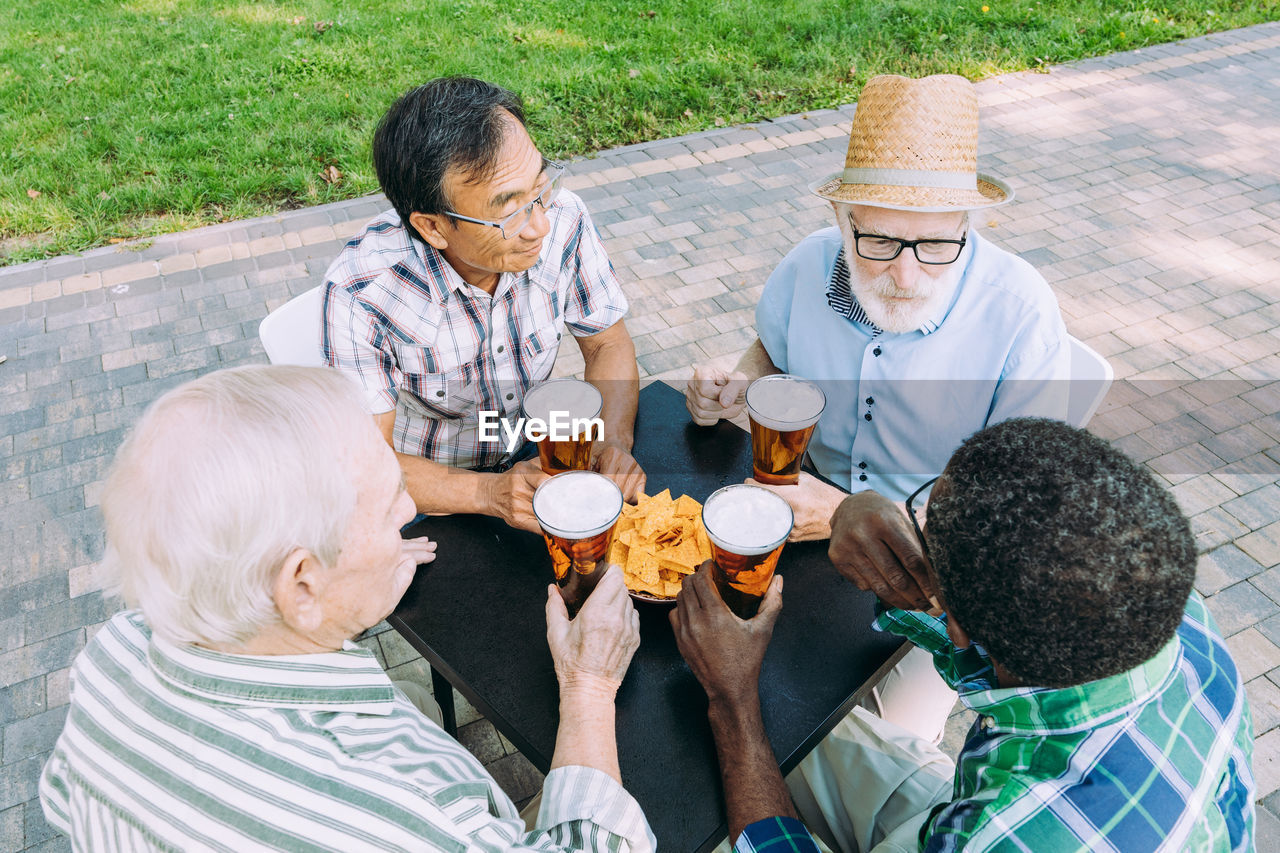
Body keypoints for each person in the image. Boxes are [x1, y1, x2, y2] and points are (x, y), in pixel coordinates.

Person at [40, 365, 655, 852]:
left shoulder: (111, 653)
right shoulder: (399, 820)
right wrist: (588, 685)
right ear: (300, 585)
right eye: (392, 503)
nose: (404, 513)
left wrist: (360, 576)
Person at [686, 73, 1072, 744]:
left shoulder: (1021, 312)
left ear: (966, 226)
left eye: (935, 246)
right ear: (842, 220)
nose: (906, 274)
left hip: (929, 576)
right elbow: (769, 352)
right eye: (880, 242)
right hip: (798, 529)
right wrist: (737, 378)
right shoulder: (809, 267)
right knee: (701, 664)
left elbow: (1017, 511)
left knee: (851, 742)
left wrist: (842, 513)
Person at [672, 417, 1254, 853]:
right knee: (803, 745)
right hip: (990, 804)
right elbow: (999, 643)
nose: (915, 519)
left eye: (924, 522)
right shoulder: (1170, 613)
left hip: (1000, 825)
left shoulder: (995, 839)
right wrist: (848, 508)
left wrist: (732, 700)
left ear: (958, 623)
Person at [323, 76, 644, 534]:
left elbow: (606, 344)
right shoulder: (362, 292)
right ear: (433, 227)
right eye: (509, 212)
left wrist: (613, 441)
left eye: (540, 188)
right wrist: (486, 494)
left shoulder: (564, 217)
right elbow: (367, 463)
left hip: (534, 459)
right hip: (426, 497)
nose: (539, 228)